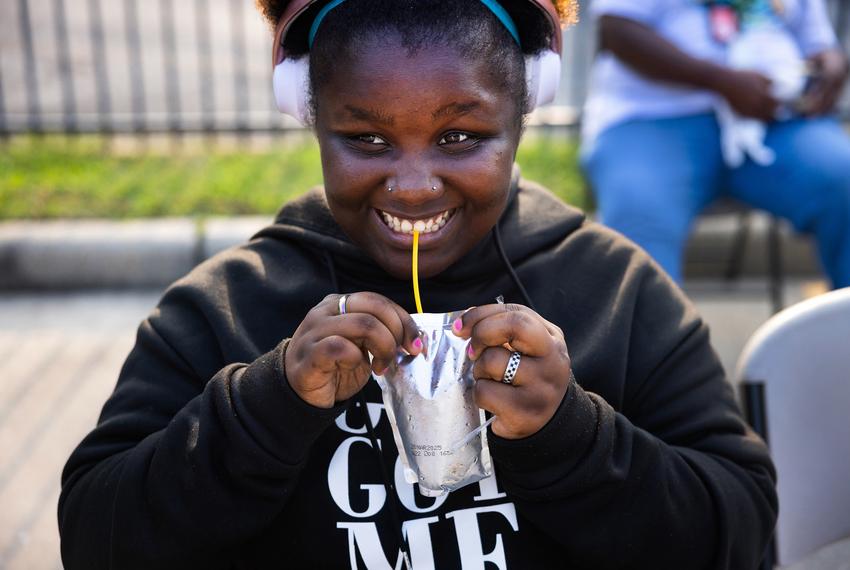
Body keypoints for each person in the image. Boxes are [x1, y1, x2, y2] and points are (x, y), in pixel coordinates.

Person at [58, 0, 777, 568]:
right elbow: (97, 539)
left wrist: (572, 438)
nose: (411, 185)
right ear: (309, 116)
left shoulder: (618, 293)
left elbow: (742, 536)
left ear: (523, 111)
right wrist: (266, 405)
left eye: (460, 137)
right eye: (366, 140)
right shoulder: (226, 308)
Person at [581, 0, 850, 287]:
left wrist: (833, 65)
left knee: (843, 178)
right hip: (652, 118)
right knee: (637, 220)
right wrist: (721, 81)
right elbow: (617, 30)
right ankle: (660, 332)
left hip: (775, 121)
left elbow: (818, 42)